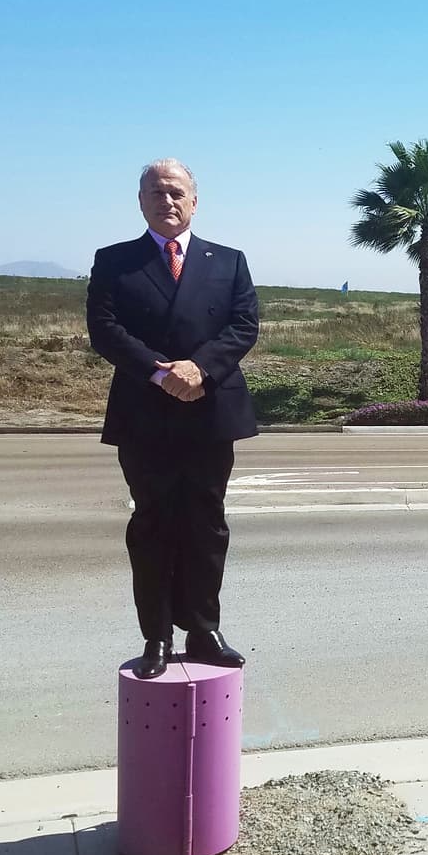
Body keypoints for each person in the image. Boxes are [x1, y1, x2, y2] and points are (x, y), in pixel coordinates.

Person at [86, 159, 259, 679]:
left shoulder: (228, 261)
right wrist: (159, 373)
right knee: (153, 524)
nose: (167, 200)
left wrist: (199, 369)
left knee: (207, 523)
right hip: (145, 412)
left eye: (176, 192)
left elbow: (244, 325)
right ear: (141, 202)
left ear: (195, 201)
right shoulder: (115, 261)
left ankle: (203, 629)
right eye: (156, 192)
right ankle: (156, 636)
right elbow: (104, 329)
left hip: (210, 409)